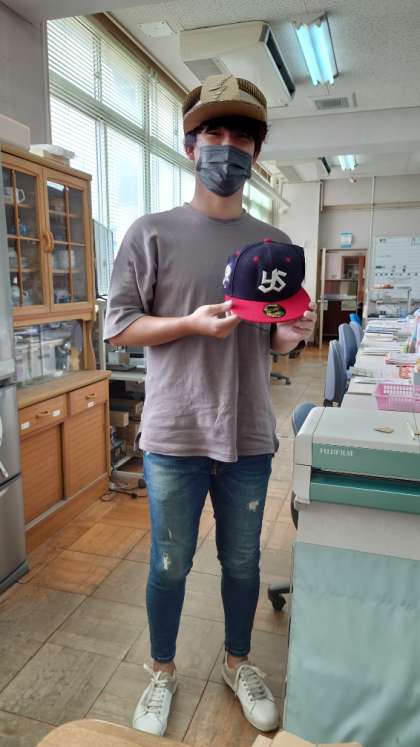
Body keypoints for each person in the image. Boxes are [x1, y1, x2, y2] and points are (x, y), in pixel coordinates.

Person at [104, 73, 317, 736]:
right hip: (175, 433)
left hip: (247, 431)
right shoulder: (151, 233)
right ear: (190, 144)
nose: (227, 147)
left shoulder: (273, 244)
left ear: (256, 151)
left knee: (244, 561)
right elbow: (120, 325)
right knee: (169, 563)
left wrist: (289, 334)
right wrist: (190, 325)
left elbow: (274, 335)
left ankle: (237, 661)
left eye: (241, 137)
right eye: (214, 133)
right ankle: (161, 670)